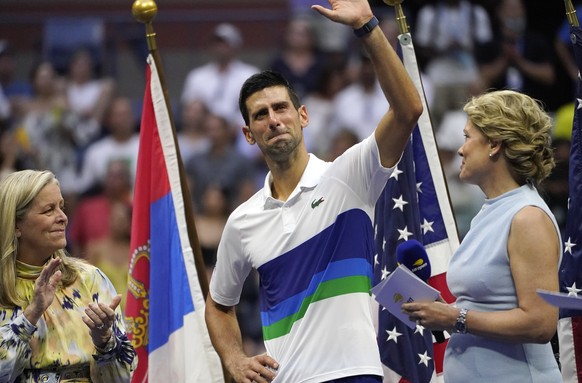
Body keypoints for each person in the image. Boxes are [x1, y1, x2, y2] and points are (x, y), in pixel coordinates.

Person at [204, 0, 423, 382]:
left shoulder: (349, 175)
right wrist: (235, 360)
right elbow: (219, 305)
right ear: (248, 135)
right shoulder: (242, 221)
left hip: (355, 373)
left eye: (281, 108)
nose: (273, 120)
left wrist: (368, 27)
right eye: (260, 115)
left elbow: (407, 110)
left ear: (302, 116)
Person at [401, 90, 562, 382]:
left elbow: (541, 323)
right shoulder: (489, 212)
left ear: (494, 144)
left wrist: (454, 318)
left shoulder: (528, 217)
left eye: (467, 137)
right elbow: (489, 304)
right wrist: (441, 310)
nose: (460, 150)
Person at [0, 169, 136, 382]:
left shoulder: (89, 279)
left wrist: (104, 341)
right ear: (16, 225)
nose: (63, 217)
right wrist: (31, 315)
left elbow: (124, 377)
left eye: (61, 207)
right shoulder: (3, 288)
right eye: (48, 210)